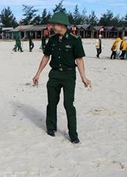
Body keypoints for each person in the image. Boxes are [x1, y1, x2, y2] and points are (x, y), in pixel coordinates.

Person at [32, 12, 92, 144]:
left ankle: (73, 134)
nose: (52, 26)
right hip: (54, 75)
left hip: (69, 75)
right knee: (51, 103)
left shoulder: (74, 39)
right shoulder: (52, 39)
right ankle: (51, 127)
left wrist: (84, 77)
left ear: (61, 25)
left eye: (54, 24)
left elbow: (79, 59)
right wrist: (38, 74)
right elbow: (46, 56)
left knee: (68, 104)